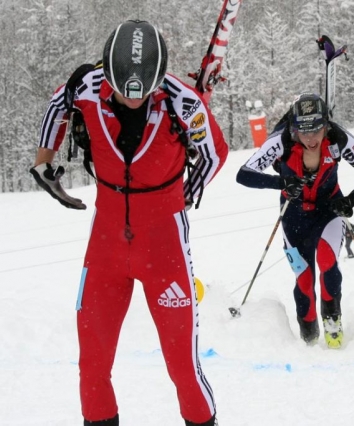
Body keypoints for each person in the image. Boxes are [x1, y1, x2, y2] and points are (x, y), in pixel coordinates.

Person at [29, 21, 228, 426]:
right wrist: (43, 160)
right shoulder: (85, 85)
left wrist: (184, 195)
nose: (131, 100)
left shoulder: (183, 101)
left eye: (143, 93)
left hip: (165, 243)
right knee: (92, 366)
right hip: (106, 245)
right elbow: (57, 104)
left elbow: (214, 155)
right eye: (121, 90)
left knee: (183, 369)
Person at [236, 93, 354, 349]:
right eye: (304, 131)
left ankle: (333, 320)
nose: (311, 138)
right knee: (303, 277)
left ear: (326, 125)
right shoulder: (281, 141)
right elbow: (244, 175)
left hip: (328, 209)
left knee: (327, 259)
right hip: (293, 214)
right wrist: (281, 183)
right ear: (294, 129)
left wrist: (352, 200)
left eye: (317, 130)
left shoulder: (338, 139)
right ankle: (309, 334)